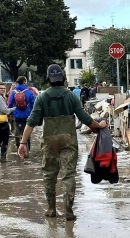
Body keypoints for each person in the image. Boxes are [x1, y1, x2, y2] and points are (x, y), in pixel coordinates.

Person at [18, 64, 109, 220]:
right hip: (68, 140)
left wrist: (22, 143)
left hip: (49, 141)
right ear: (63, 79)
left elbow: (31, 122)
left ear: (48, 79)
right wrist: (99, 125)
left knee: (49, 175)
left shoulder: (42, 97)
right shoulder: (70, 96)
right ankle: (68, 210)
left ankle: (51, 209)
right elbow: (85, 118)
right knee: (68, 175)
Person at [8, 76, 36, 153]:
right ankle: (27, 149)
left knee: (17, 131)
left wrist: (9, 113)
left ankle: (19, 148)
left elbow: (10, 104)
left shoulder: (13, 92)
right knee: (27, 131)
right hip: (27, 115)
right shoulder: (29, 92)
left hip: (17, 115)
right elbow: (34, 104)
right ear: (24, 82)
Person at [0, 82, 15, 164]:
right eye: (1, 88)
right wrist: (13, 109)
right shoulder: (0, 98)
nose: (3, 90)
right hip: (2, 122)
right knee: (5, 140)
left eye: (4, 88)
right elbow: (4, 110)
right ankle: (3, 158)